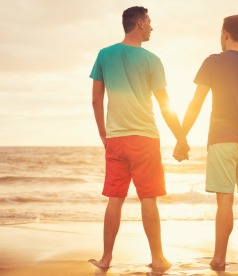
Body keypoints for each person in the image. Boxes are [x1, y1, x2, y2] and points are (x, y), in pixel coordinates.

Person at [89, 6, 189, 270]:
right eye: (150, 22)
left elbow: (96, 99)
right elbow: (165, 104)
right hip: (145, 138)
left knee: (115, 199)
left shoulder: (104, 55)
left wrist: (104, 134)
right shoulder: (152, 61)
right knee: (148, 198)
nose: (153, 27)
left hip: (116, 139)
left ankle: (106, 259)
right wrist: (181, 137)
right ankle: (157, 258)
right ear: (141, 23)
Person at [175, 15, 238, 271]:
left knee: (225, 201)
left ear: (225, 33)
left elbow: (196, 104)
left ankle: (219, 258)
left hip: (222, 139)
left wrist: (181, 137)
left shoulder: (213, 62)